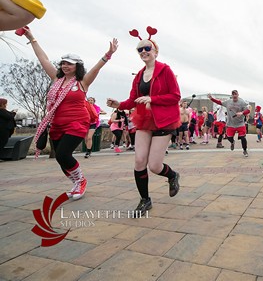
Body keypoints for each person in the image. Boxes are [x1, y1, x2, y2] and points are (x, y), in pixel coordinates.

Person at [21, 26, 117, 200]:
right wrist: (31, 37)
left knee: (64, 154)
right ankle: (75, 182)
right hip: (57, 124)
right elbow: (42, 58)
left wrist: (108, 54)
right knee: (60, 158)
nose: (65, 66)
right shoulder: (56, 79)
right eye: (63, 63)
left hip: (77, 123)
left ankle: (81, 181)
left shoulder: (83, 82)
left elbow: (97, 68)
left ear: (77, 66)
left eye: (69, 63)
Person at [107, 29, 181, 217]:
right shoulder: (139, 76)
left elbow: (175, 96)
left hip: (163, 121)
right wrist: (119, 104)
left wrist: (152, 98)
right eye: (139, 50)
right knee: (139, 160)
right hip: (144, 120)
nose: (143, 52)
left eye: (147, 48)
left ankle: (172, 175)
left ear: (155, 51)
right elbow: (133, 100)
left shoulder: (165, 70)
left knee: (155, 166)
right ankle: (145, 199)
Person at [208, 90, 250, 157]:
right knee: (229, 137)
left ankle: (245, 150)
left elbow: (248, 110)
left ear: (238, 95)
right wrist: (211, 98)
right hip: (231, 123)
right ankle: (232, 142)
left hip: (240, 123)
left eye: (235, 94)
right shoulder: (228, 102)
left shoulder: (242, 102)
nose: (234, 95)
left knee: (243, 137)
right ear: (232, 95)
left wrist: (242, 113)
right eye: (233, 94)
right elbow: (219, 102)